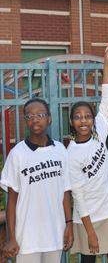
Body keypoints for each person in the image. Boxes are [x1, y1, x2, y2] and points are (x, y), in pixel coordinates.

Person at [67, 46, 108, 263]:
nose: (84, 120)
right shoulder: (71, 153)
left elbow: (107, 98)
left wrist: (107, 64)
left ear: (93, 119)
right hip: (87, 219)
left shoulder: (100, 130)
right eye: (78, 117)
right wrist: (90, 232)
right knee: (88, 261)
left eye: (88, 116)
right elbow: (78, 196)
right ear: (72, 122)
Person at [0, 97, 73, 262]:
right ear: (25, 121)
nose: (34, 119)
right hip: (27, 238)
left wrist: (69, 224)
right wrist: (11, 237)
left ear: (49, 118)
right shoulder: (18, 154)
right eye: (29, 116)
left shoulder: (60, 150)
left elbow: (65, 193)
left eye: (40, 114)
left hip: (55, 233)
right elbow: (11, 200)